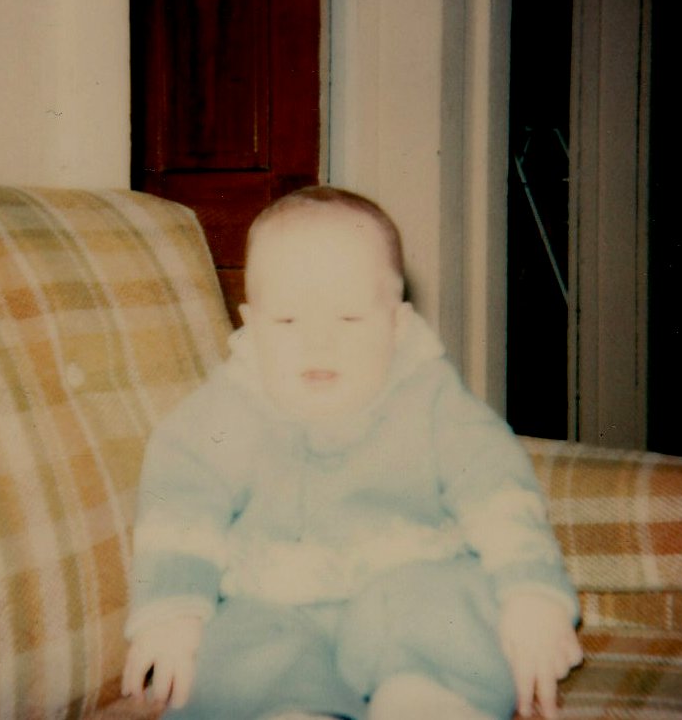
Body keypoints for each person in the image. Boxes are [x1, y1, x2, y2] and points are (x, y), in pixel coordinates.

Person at [122, 186, 582, 720]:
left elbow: (498, 491)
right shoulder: (225, 409)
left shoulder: (430, 396)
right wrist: (172, 610)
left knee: (449, 606)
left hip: (411, 577)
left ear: (397, 324)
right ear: (251, 322)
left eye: (349, 319)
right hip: (273, 597)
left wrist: (531, 594)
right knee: (242, 651)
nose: (318, 342)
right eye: (288, 321)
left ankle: (428, 698)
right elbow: (180, 508)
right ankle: (289, 708)